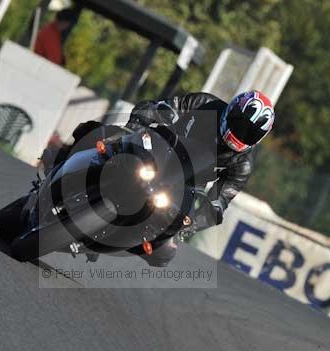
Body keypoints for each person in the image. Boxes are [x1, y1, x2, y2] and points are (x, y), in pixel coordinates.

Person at [42, 91, 275, 267]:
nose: (241, 132)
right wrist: (142, 122)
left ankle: (104, 243)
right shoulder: (206, 104)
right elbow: (164, 107)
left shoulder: (242, 164)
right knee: (105, 134)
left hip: (182, 184)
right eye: (240, 124)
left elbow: (220, 202)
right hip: (156, 149)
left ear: (259, 138)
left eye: (249, 132)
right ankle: (61, 160)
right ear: (232, 110)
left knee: (165, 252)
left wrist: (192, 223)